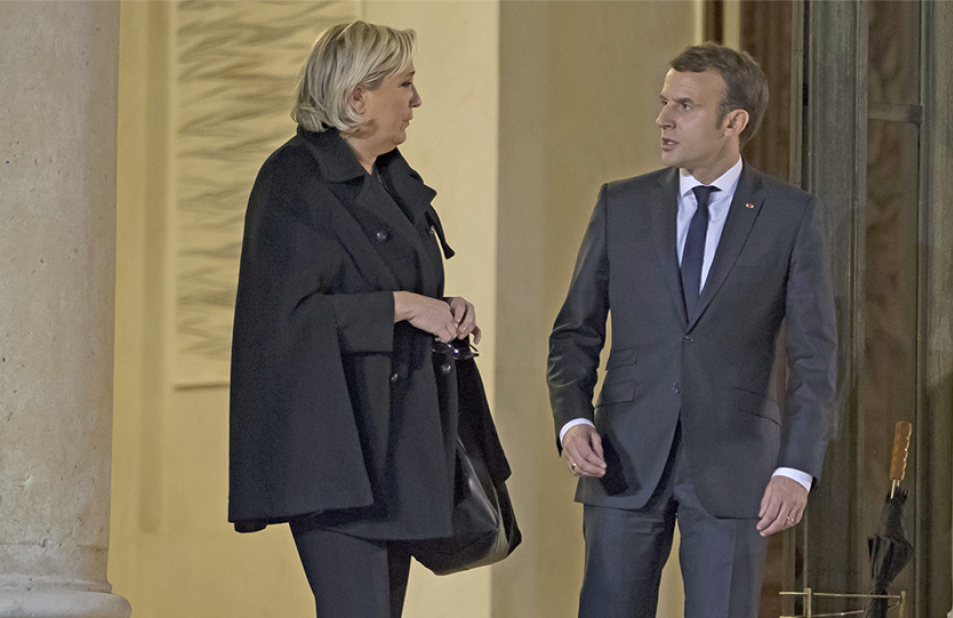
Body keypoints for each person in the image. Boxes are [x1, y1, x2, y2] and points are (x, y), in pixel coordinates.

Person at [547, 43, 837, 617]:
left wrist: (796, 469)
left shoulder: (790, 215)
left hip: (736, 468)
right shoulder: (620, 205)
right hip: (623, 462)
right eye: (664, 102)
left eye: (684, 106)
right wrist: (573, 421)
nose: (663, 119)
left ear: (734, 122)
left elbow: (815, 358)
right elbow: (574, 332)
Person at [228, 21, 480, 618]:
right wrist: (404, 306)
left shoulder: (394, 179)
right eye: (405, 84)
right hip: (335, 452)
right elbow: (282, 322)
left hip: (399, 447)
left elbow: (392, 287)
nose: (417, 100)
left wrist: (445, 308)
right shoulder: (292, 178)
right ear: (356, 96)